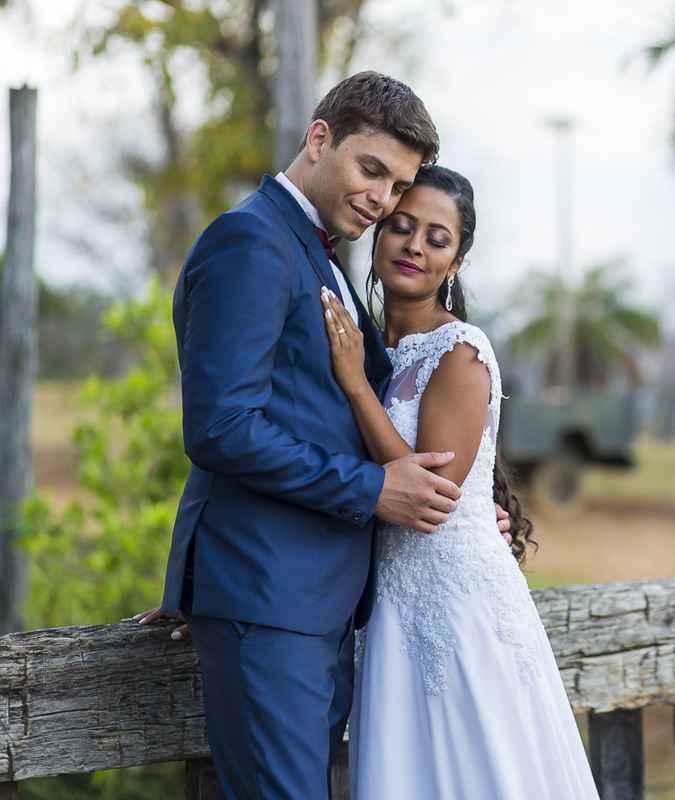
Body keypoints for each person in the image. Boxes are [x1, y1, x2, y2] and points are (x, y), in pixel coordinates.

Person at [137, 72, 507, 799]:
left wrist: (459, 513)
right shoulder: (251, 241)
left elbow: (319, 413)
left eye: (397, 185)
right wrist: (378, 490)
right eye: (371, 169)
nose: (381, 198)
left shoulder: (320, 255)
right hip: (270, 605)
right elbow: (222, 426)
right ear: (318, 138)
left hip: (320, 610)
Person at [319, 164, 601, 799]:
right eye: (401, 226)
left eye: (436, 238)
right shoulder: (365, 344)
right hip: (388, 608)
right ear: (378, 232)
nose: (414, 245)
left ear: (456, 261)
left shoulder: (460, 353)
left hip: (456, 606)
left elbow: (431, 496)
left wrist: (354, 385)